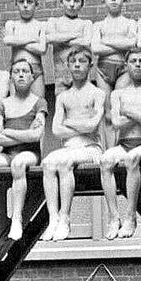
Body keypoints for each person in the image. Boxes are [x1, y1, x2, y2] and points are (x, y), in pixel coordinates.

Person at [0, 57, 47, 241]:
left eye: (25, 71)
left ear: (32, 77)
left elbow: (35, 136)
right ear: (11, 78)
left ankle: (17, 218)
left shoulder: (39, 102)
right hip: (6, 153)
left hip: (29, 153)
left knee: (18, 163)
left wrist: (9, 131)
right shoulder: (3, 104)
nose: (21, 74)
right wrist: (19, 133)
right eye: (16, 71)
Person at [41, 45, 104, 242]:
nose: (77, 65)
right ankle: (53, 218)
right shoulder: (63, 97)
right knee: (48, 162)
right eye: (73, 62)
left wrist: (69, 122)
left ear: (90, 66)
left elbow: (92, 126)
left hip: (91, 148)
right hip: (69, 147)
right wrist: (80, 125)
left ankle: (66, 217)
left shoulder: (97, 93)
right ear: (68, 65)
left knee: (63, 162)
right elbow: (56, 130)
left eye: (82, 62)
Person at [98, 48, 141, 239]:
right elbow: (116, 123)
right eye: (133, 61)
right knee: (105, 160)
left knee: (132, 158)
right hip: (124, 142)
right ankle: (113, 217)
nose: (137, 64)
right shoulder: (118, 94)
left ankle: (130, 216)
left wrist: (130, 112)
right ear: (126, 66)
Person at [45, 0, 93, 92]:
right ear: (61, 2)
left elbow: (86, 41)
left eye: (76, 1)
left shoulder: (86, 23)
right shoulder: (53, 21)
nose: (72, 4)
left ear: (81, 5)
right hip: (61, 74)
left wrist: (61, 38)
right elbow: (50, 38)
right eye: (68, 0)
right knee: (62, 104)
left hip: (82, 74)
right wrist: (75, 35)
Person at [91, 0, 137, 95]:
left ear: (123, 0)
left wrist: (106, 41)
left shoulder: (130, 23)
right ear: (104, 1)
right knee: (106, 107)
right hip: (103, 68)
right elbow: (96, 48)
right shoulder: (98, 25)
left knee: (119, 103)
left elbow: (132, 44)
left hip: (124, 67)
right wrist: (121, 45)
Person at [2, 0, 47, 97]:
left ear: (36, 4)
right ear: (16, 4)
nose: (25, 5)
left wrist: (19, 42)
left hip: (35, 69)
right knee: (15, 106)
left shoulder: (41, 25)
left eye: (30, 2)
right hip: (17, 69)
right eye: (21, 2)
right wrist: (32, 39)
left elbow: (42, 49)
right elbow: (8, 40)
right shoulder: (12, 24)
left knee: (39, 104)